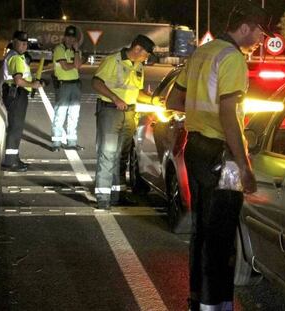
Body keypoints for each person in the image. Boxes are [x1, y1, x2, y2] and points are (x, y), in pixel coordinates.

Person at [166, 2, 273, 309]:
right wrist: (244, 165)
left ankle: (199, 302)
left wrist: (201, 110)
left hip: (196, 149)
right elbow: (229, 115)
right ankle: (217, 306)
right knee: (222, 237)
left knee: (202, 231)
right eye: (260, 34)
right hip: (220, 157)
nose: (261, 41)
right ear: (244, 28)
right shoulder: (233, 59)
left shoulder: (203, 52)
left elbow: (174, 98)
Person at [91, 34, 156, 209]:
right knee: (107, 153)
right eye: (146, 54)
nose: (147, 57)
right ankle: (103, 198)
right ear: (137, 49)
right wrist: (114, 98)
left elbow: (137, 92)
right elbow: (96, 83)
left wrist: (154, 100)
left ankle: (117, 194)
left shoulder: (139, 66)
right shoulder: (113, 60)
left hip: (129, 114)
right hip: (110, 111)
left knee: (122, 156)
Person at [1, 30, 42, 172]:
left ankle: (14, 158)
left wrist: (32, 82)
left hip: (15, 93)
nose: (24, 46)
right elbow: (18, 80)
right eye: (21, 43)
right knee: (15, 128)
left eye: (26, 43)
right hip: (16, 93)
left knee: (15, 127)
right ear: (14, 41)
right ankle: (11, 161)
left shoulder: (17, 56)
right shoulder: (16, 58)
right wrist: (33, 85)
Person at [51, 25, 83, 152]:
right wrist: (74, 65)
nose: (70, 40)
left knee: (74, 114)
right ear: (64, 37)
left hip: (75, 85)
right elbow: (64, 67)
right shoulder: (59, 49)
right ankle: (56, 143)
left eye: (73, 37)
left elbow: (78, 65)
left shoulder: (75, 51)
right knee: (60, 113)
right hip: (63, 85)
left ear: (75, 39)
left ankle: (71, 142)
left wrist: (76, 52)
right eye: (68, 37)